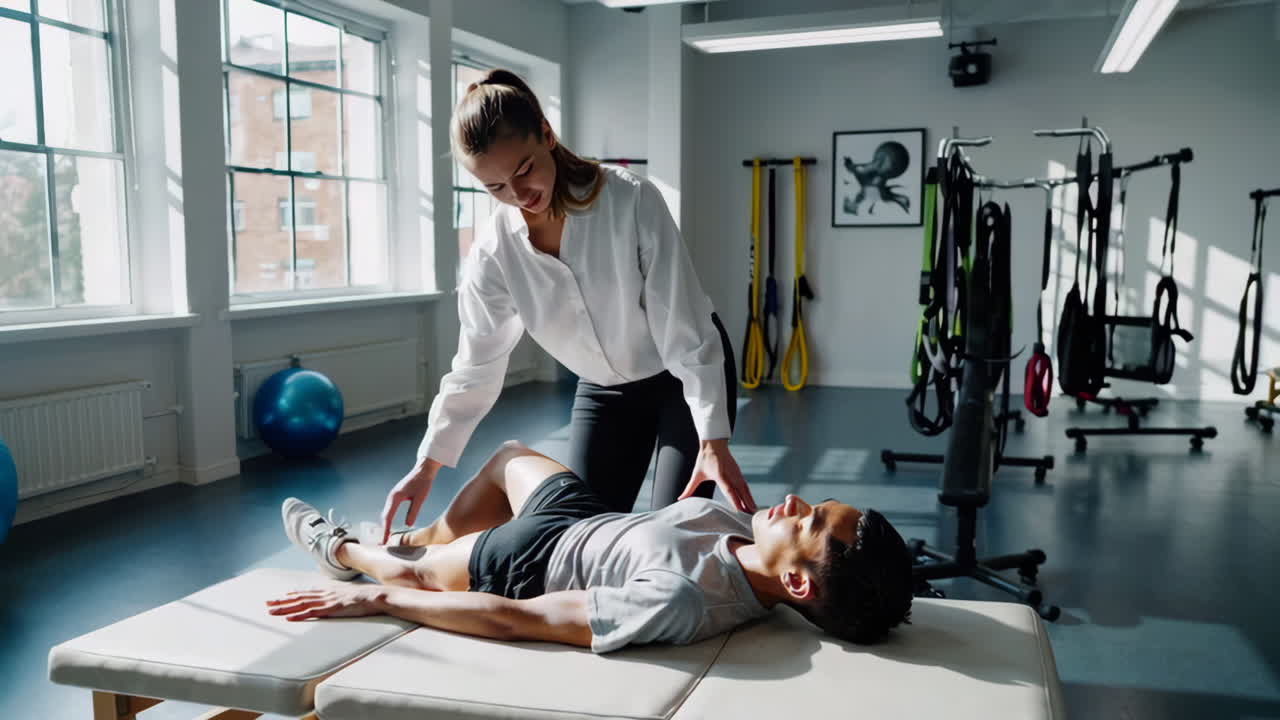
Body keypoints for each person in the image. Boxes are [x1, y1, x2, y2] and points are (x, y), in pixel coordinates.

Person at [381, 68, 752, 542]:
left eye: (524, 170)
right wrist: (426, 465)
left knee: (672, 536)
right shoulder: (495, 252)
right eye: (495, 188)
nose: (519, 196)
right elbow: (476, 366)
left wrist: (713, 440)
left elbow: (685, 328)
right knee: (577, 540)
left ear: (547, 136)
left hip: (682, 373)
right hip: (606, 391)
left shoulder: (630, 200)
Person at [270, 441, 913, 653]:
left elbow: (516, 617)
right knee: (509, 456)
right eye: (814, 505)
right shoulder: (750, 536)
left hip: (525, 563)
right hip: (579, 515)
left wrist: (381, 598)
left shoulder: (684, 600)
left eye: (808, 523)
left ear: (798, 584)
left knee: (402, 570)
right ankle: (425, 537)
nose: (796, 504)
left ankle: (346, 549)